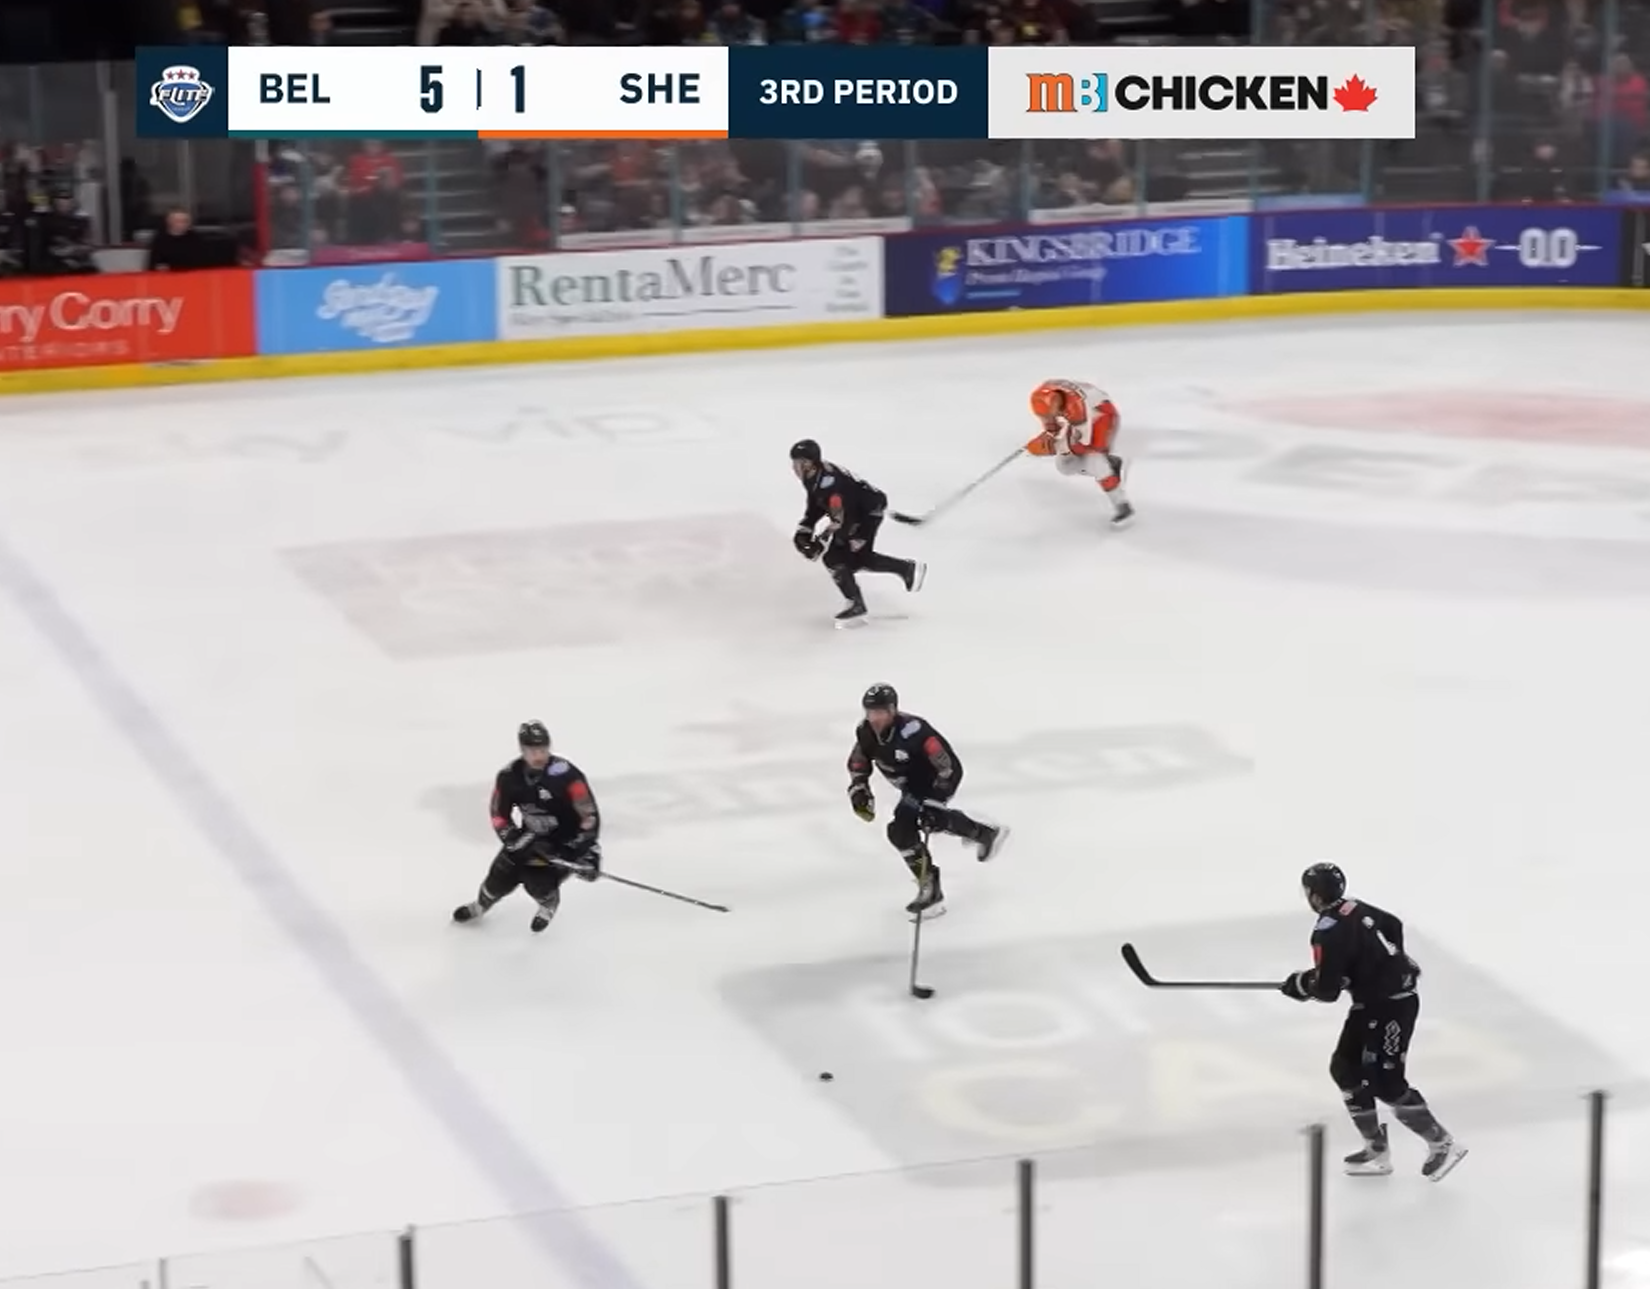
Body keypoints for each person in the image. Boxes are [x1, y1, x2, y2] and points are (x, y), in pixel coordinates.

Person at [1282, 863, 1467, 1181]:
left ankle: (1442, 1143)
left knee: (1386, 1082)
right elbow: (1392, 925)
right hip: (1372, 1005)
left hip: (1392, 1007)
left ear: (1315, 895)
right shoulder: (1355, 907)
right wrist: (1390, 963)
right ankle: (1376, 1149)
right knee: (1345, 1068)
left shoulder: (1326, 931)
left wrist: (1301, 985)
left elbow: (1327, 990)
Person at [846, 684, 1008, 919]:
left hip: (933, 780)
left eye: (880, 712)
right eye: (871, 712)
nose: (875, 719)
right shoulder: (865, 732)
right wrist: (859, 788)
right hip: (910, 786)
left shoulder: (915, 731)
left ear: (892, 710)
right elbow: (858, 761)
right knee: (912, 828)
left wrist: (935, 800)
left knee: (909, 827)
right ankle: (983, 834)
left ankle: (931, 888)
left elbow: (948, 767)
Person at [452, 721, 601, 933]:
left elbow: (589, 815)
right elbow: (498, 814)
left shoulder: (567, 775)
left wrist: (584, 850)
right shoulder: (509, 776)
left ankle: (548, 904)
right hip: (529, 837)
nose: (539, 756)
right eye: (532, 751)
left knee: (537, 881)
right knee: (500, 874)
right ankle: (481, 905)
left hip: (563, 843)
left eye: (543, 749)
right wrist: (514, 839)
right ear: (522, 750)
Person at [790, 439, 925, 627]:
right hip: (861, 509)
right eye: (795, 463)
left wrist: (824, 540)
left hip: (864, 514)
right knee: (857, 559)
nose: (795, 468)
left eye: (800, 463)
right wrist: (804, 530)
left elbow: (842, 516)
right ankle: (906, 569)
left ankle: (856, 603)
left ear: (811, 463)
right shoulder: (815, 478)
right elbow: (817, 505)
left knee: (835, 558)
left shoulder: (829, 483)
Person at [1025, 379, 1134, 529]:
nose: (1047, 419)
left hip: (1102, 415)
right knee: (1065, 466)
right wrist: (1049, 434)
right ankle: (1109, 465)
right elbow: (1052, 425)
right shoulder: (1045, 395)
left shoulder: (1076, 408)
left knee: (1094, 458)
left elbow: (1083, 444)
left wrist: (1052, 447)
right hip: (1086, 405)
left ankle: (1121, 504)